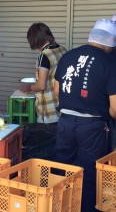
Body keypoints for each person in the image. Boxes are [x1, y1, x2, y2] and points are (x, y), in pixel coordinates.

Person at [54, 18, 116, 212]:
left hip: (64, 123)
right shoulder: (109, 62)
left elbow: (57, 91)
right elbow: (115, 108)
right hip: (93, 128)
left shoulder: (68, 56)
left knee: (64, 168)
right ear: (111, 41)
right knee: (89, 174)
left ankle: (61, 206)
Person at [19, 23, 67, 159]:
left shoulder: (44, 55)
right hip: (62, 108)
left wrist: (28, 88)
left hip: (48, 112)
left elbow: (41, 85)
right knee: (57, 148)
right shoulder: (62, 50)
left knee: (44, 151)